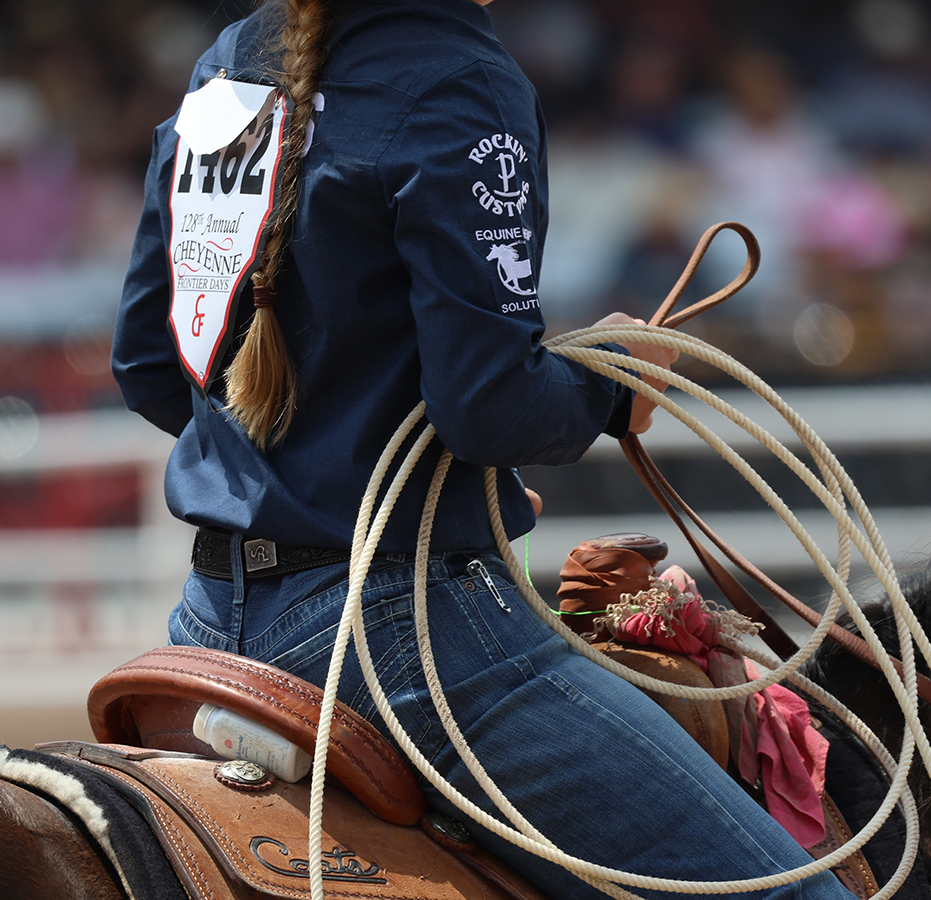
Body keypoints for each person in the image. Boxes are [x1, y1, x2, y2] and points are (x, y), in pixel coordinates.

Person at [112, 1, 854, 897]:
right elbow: (487, 406)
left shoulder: (229, 61)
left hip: (210, 617)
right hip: (401, 636)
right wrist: (618, 379)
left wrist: (409, 478)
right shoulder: (462, 79)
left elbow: (156, 369)